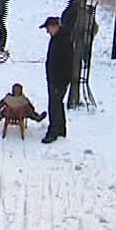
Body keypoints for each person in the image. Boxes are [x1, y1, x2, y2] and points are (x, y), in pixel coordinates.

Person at [42, 15, 72, 144]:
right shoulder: (58, 38)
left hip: (58, 80)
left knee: (54, 105)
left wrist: (59, 82)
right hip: (56, 79)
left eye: (48, 28)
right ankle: (61, 129)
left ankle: (53, 132)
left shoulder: (62, 41)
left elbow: (66, 63)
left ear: (55, 27)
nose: (47, 31)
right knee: (58, 103)